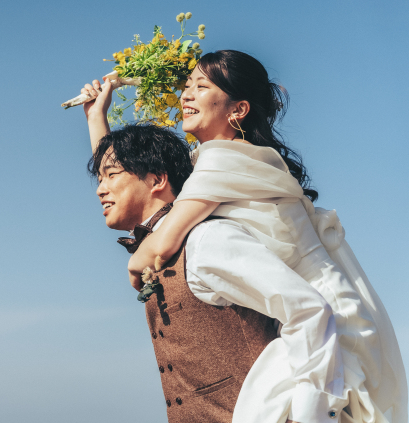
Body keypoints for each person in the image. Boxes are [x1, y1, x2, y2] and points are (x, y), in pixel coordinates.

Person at [80, 50, 406, 423]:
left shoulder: (220, 164)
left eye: (200, 88)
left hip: (325, 321)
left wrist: (138, 262)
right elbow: (140, 189)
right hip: (310, 315)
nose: (186, 96)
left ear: (238, 110)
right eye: (186, 87)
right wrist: (96, 120)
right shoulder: (213, 160)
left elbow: (160, 237)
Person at [88, 123, 345, 423]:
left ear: (157, 178)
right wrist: (96, 116)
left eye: (111, 175)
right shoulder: (160, 252)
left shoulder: (207, 239)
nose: (100, 189)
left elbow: (309, 310)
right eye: (99, 178)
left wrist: (311, 416)